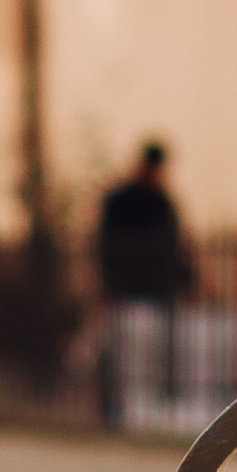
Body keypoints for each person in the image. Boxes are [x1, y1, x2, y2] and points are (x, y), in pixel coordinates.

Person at [93, 139, 190, 420]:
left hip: (155, 282)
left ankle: (165, 391)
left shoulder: (161, 202)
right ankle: (112, 399)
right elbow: (106, 244)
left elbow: (174, 245)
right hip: (126, 281)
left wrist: (182, 279)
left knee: (163, 340)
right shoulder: (123, 201)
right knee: (117, 343)